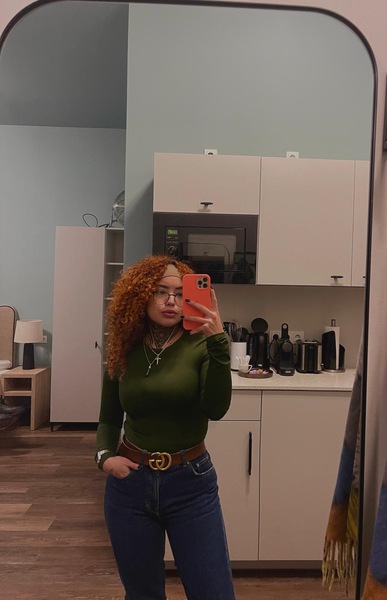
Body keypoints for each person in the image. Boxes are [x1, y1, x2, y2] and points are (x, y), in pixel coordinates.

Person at [96, 255, 235, 600]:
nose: (171, 300)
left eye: (180, 293)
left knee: (213, 592)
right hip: (130, 485)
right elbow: (109, 418)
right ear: (140, 296)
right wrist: (105, 457)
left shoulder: (201, 344)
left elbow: (216, 409)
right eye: (160, 291)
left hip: (191, 483)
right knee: (142, 594)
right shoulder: (124, 348)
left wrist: (219, 342)